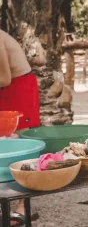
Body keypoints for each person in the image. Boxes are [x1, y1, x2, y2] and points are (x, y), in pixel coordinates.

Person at [0, 29, 41, 226]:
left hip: (18, 88)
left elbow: (4, 78)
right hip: (6, 89)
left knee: (21, 146)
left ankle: (23, 207)